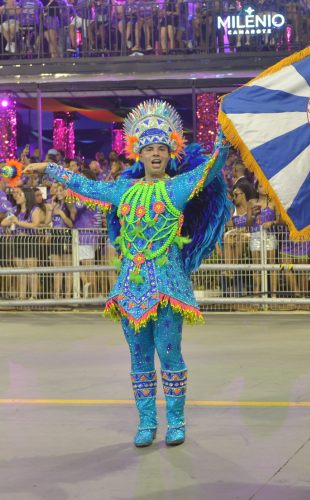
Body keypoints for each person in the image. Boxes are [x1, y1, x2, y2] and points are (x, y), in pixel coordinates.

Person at [23, 100, 232, 448]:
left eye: (161, 149)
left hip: (168, 286)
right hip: (131, 290)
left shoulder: (178, 188)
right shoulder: (122, 191)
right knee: (138, 358)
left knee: (169, 353)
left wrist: (224, 137)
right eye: (148, 148)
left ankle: (176, 421)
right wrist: (51, 168)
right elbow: (85, 187)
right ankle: (147, 422)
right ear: (138, 153)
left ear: (170, 154)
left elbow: (211, 168)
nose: (154, 154)